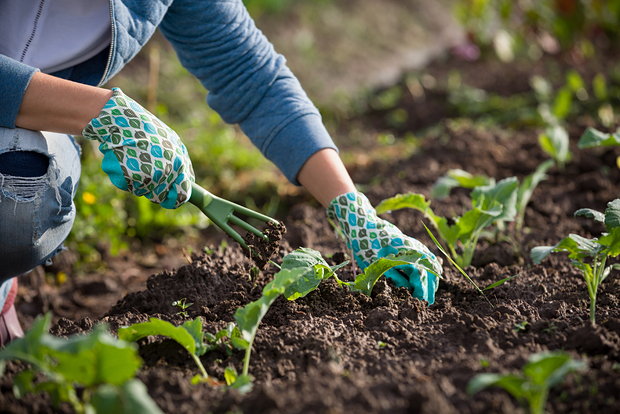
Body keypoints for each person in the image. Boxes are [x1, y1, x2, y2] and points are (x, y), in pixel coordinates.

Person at [0, 0, 442, 346]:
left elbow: (252, 77)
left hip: (23, 130)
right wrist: (100, 112)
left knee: (21, 200)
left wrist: (352, 210)